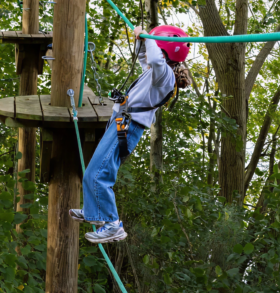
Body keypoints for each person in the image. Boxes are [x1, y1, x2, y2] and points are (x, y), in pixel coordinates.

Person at [69, 24, 192, 243]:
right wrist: (142, 40)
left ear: (164, 50)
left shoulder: (164, 76)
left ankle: (112, 224)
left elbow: (155, 60)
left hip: (128, 126)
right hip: (122, 123)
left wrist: (148, 38)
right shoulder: (157, 73)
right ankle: (94, 212)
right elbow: (145, 57)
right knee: (94, 169)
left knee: (99, 174)